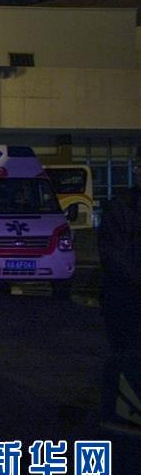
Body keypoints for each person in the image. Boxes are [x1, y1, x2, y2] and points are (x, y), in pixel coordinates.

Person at [98, 146, 141, 431]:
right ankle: (118, 415)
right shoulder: (122, 206)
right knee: (127, 355)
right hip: (126, 299)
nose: (137, 170)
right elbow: (114, 256)